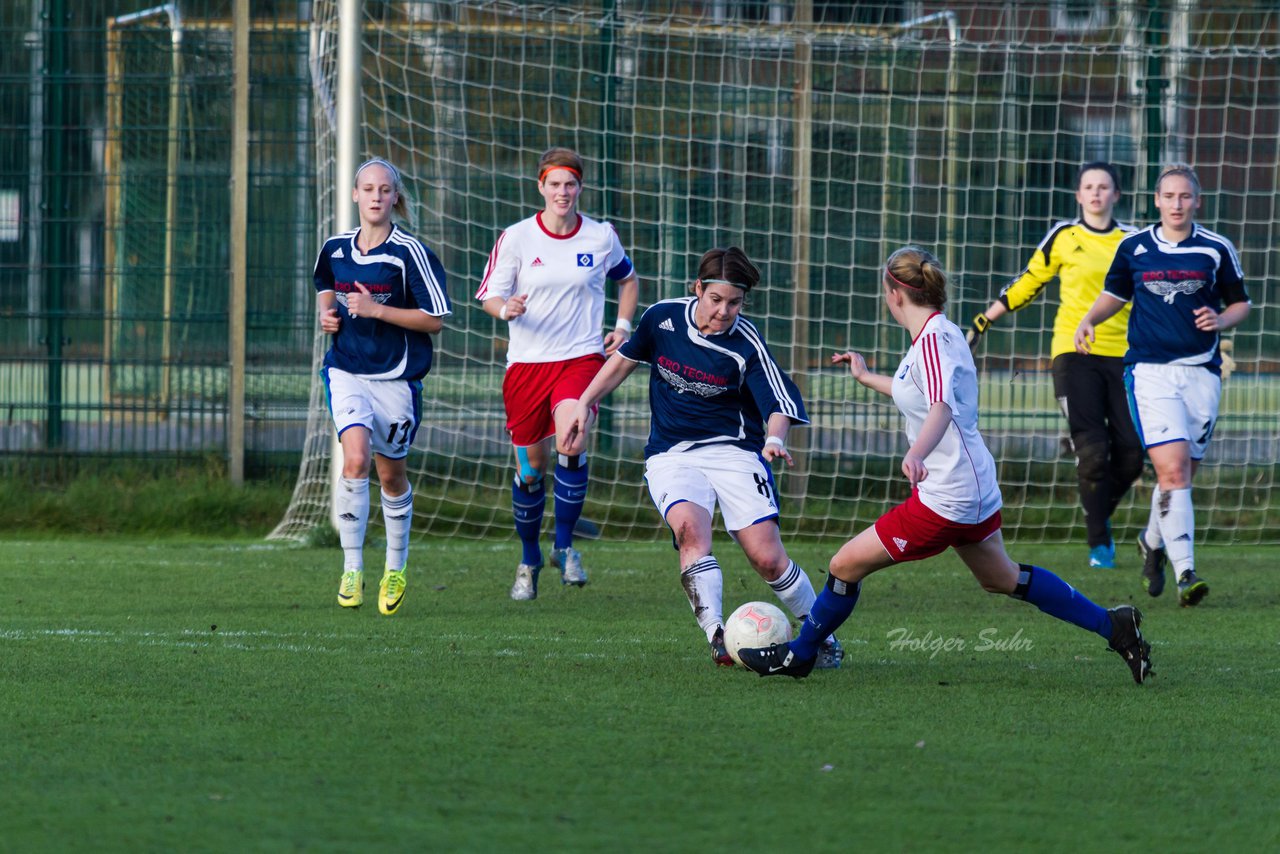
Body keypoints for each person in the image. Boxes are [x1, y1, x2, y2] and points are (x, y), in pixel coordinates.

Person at [737, 246, 1152, 684]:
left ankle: (800, 655)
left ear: (894, 293)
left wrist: (915, 453)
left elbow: (940, 408)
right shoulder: (940, 333)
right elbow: (920, 393)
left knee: (843, 565)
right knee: (1001, 577)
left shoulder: (933, 341)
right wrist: (866, 376)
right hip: (971, 487)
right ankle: (1115, 625)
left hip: (946, 495)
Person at [561, 246, 843, 668]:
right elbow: (624, 360)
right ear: (698, 290)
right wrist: (585, 401)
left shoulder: (745, 343)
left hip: (736, 451)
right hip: (671, 454)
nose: (724, 311)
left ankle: (823, 636)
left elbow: (779, 403)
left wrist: (776, 439)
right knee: (691, 532)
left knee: (767, 557)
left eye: (735, 302)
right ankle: (717, 635)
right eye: (716, 300)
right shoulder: (662, 317)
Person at [1075, 165, 1250, 607]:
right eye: (1169, 196)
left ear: (1197, 201)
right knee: (1171, 472)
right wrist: (1090, 319)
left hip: (1202, 373)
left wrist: (1221, 318)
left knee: (1183, 476)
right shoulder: (1134, 247)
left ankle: (1152, 543)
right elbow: (1115, 292)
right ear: (1156, 201)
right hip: (1150, 373)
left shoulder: (1215, 248)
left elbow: (1240, 303)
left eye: (1185, 197)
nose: (1177, 204)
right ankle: (1185, 572)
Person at [476, 147, 640, 600]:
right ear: (541, 187)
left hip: (581, 360)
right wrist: (503, 308)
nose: (563, 192)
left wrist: (622, 326)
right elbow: (489, 294)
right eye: (555, 184)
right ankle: (529, 559)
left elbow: (627, 280)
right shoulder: (516, 237)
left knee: (574, 436)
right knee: (531, 471)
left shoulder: (601, 237)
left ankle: (565, 547)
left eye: (570, 184)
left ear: (580, 187)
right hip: (527, 366)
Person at [967, 162, 1142, 569]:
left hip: (1127, 357)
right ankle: (1100, 543)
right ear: (1079, 196)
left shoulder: (1133, 240)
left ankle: (1098, 510)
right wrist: (984, 319)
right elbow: (1029, 281)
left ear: (1116, 195)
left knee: (1132, 455)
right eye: (1088, 187)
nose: (1096, 193)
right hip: (1073, 354)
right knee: (1094, 452)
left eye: (1104, 187)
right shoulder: (1065, 237)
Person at [314, 157, 451, 615]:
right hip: (347, 370)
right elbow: (323, 283)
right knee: (354, 460)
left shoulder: (409, 253)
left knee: (390, 476)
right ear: (355, 195)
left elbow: (434, 320)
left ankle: (396, 566)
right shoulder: (335, 248)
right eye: (367, 189)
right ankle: (352, 567)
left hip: (396, 380)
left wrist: (377, 311)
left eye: (384, 190)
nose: (375, 197)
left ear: (395, 198)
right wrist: (326, 312)